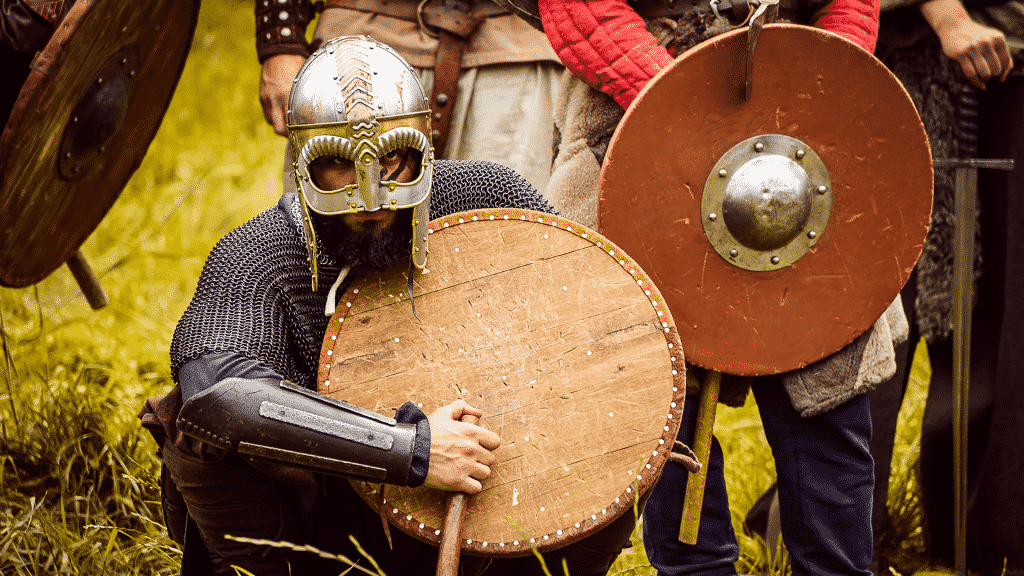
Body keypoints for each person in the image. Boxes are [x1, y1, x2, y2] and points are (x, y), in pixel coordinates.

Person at [139, 35, 642, 576]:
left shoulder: (486, 197)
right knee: (200, 439)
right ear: (305, 166)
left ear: (421, 148)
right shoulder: (257, 256)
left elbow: (591, 318)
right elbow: (222, 401)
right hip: (327, 520)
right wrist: (412, 450)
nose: (372, 193)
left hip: (490, 484)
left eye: (392, 159)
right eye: (340, 165)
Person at [491, 0, 912, 575]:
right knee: (665, 399)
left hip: (796, 133)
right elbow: (584, 9)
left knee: (826, 377)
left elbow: (848, 6)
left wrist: (818, 79)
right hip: (634, 115)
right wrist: (683, 104)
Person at [876, 0, 1022, 573]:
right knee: (887, 328)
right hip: (953, 73)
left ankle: (971, 533)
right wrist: (948, 17)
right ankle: (826, 529)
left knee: (987, 333)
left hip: (985, 65)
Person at [256, 0, 566, 193]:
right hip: (359, 37)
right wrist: (281, 36)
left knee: (504, 254)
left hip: (512, 49)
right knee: (327, 259)